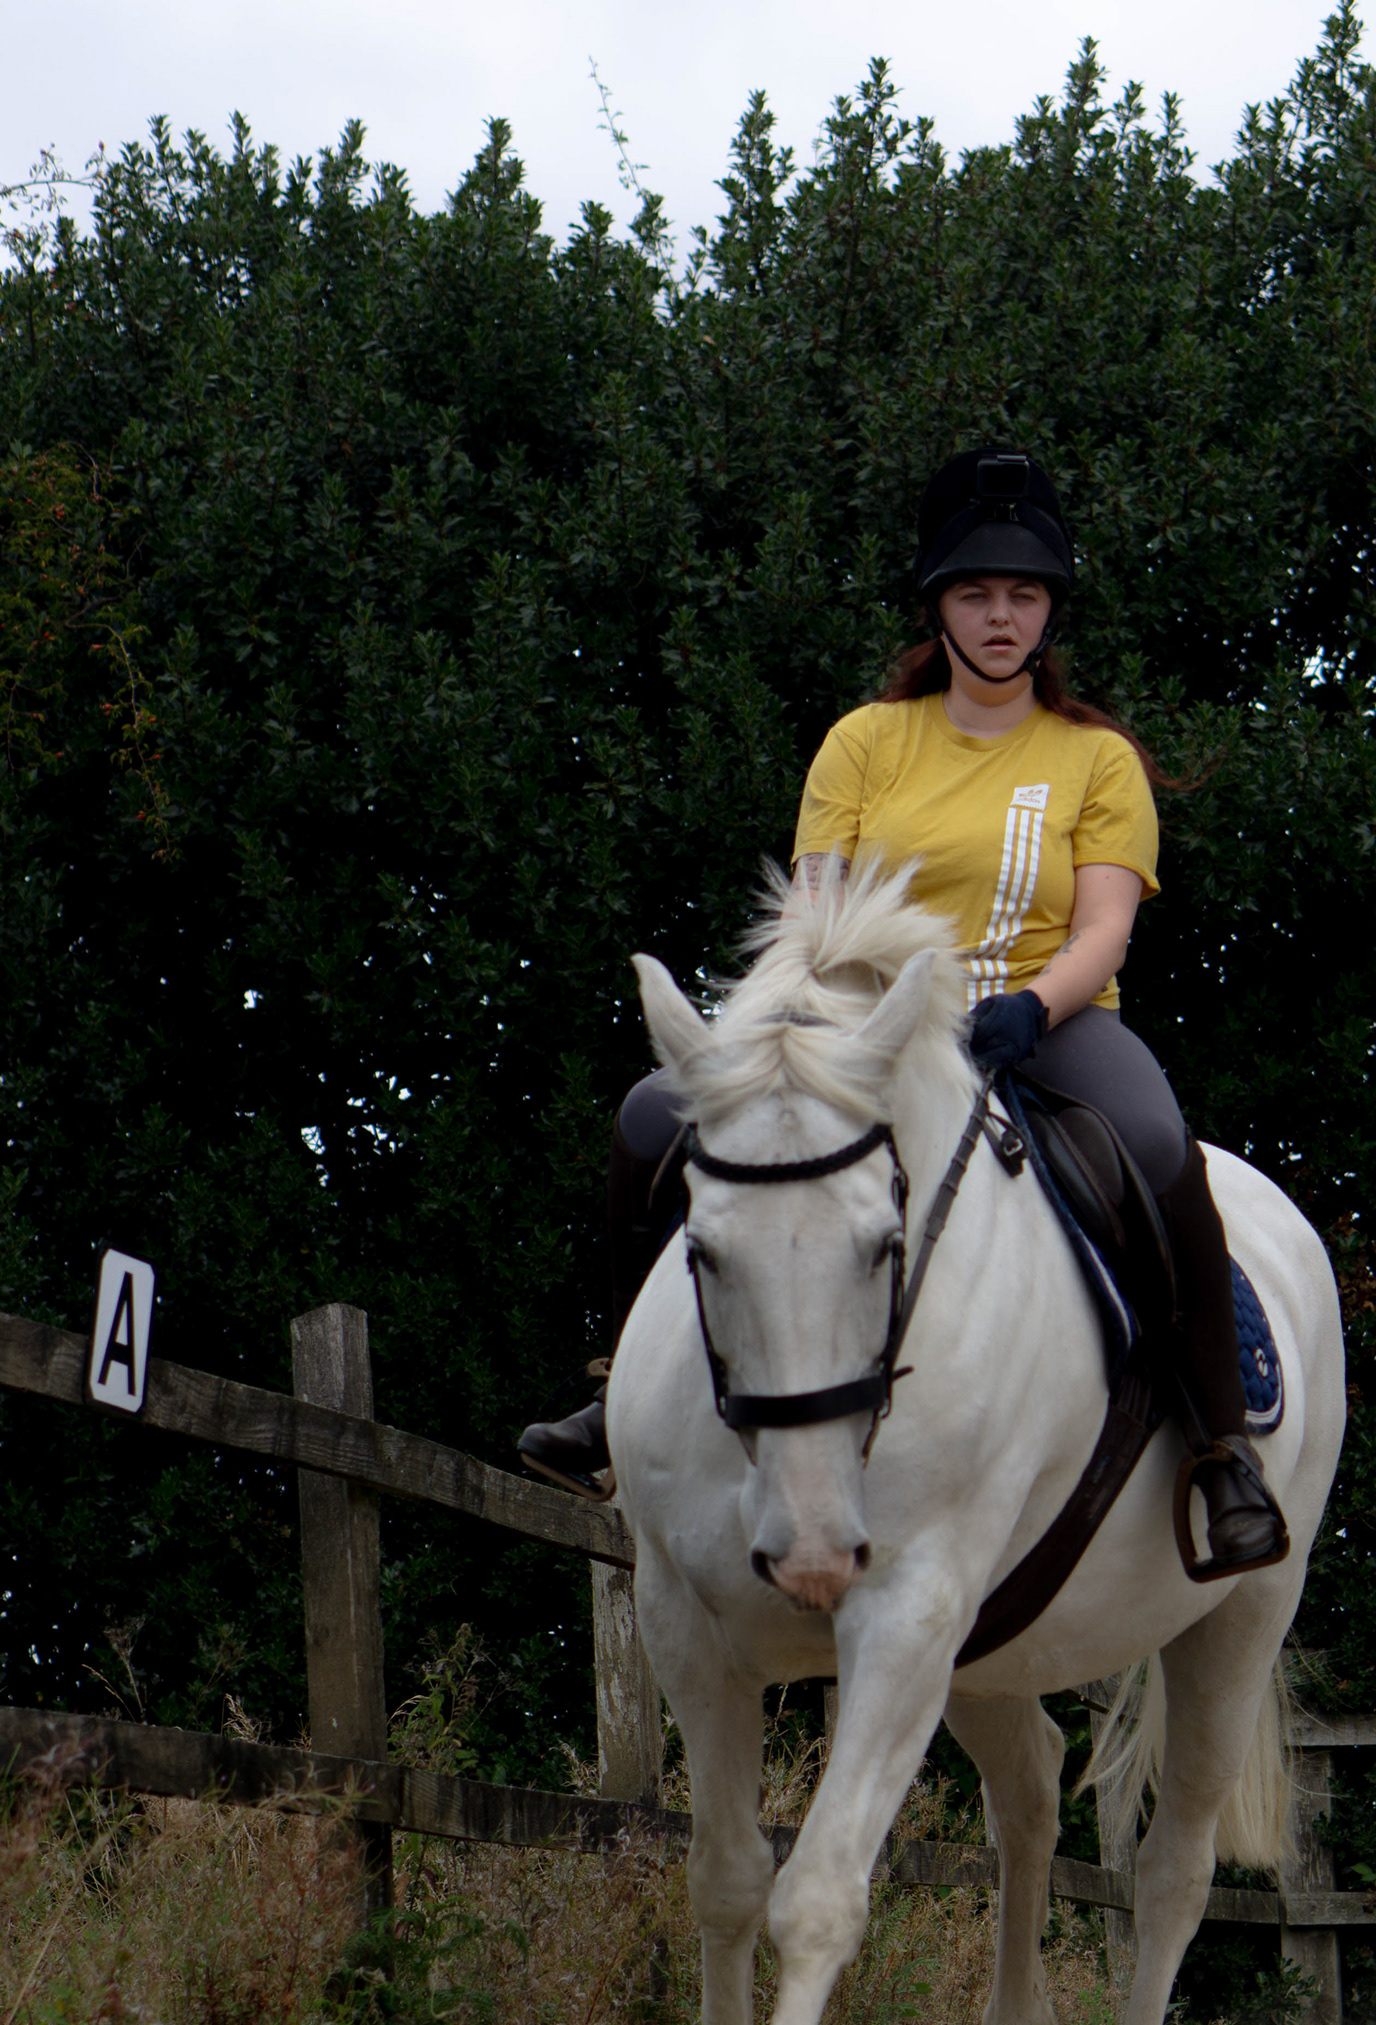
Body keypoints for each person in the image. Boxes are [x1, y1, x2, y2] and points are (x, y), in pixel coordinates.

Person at [518, 445, 1286, 1575]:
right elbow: (811, 913)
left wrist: (1031, 1008)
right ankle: (620, 1393)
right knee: (646, 1120)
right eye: (976, 594)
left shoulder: (1097, 758)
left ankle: (1220, 1444)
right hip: (864, 1035)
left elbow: (1105, 931)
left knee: (1160, 1146)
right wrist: (795, 1027)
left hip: (1046, 1022)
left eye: (1023, 595)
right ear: (938, 607)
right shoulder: (864, 742)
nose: (1000, 617)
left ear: (1051, 611)